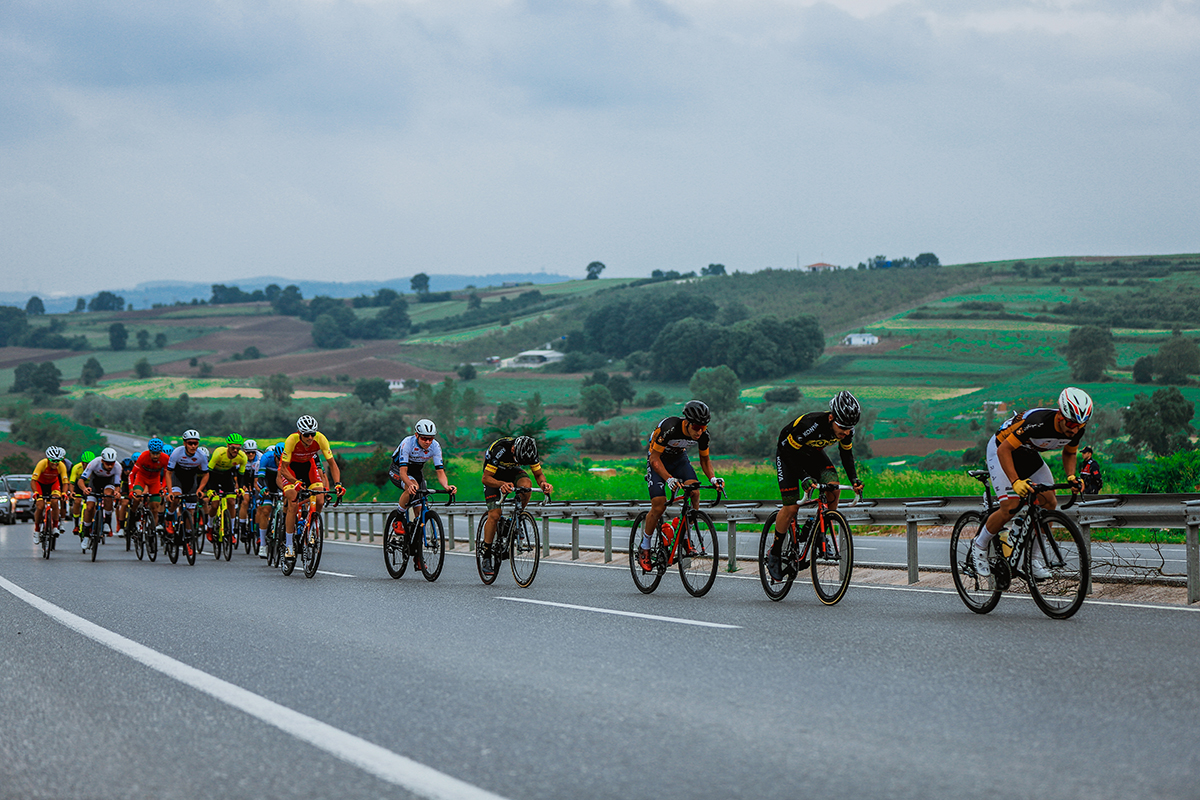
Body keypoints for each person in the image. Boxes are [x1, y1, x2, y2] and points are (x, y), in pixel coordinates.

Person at [970, 387, 1092, 580]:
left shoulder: (1077, 427)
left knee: (1050, 503)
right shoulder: (1038, 423)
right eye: (1070, 423)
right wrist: (1015, 481)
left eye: (1079, 424)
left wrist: (1070, 476)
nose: (1074, 429)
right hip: (1002, 449)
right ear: (1061, 414)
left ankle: (1032, 560)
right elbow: (1004, 450)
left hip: (1027, 453)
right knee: (1009, 507)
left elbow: (1069, 452)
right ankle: (979, 545)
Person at [765, 391, 864, 582]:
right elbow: (789, 453)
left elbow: (846, 455)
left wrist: (854, 479)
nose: (845, 433)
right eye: (842, 428)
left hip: (812, 454)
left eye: (850, 429)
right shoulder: (811, 425)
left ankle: (820, 527)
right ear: (831, 417)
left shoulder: (846, 431)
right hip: (788, 455)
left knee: (833, 487)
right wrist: (803, 477)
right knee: (791, 506)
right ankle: (775, 552)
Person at [637, 400, 724, 573]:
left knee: (695, 492)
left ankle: (685, 537)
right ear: (687, 422)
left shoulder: (703, 435)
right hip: (658, 461)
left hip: (679, 460)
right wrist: (669, 478)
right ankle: (645, 546)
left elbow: (705, 460)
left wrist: (713, 478)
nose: (700, 431)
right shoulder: (670, 428)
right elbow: (654, 459)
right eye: (697, 427)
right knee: (659, 504)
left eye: (704, 427)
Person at [480, 434, 552, 576]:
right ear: (513, 449)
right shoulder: (501, 450)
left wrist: (544, 484)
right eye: (517, 460)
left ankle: (514, 520)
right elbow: (486, 478)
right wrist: (501, 484)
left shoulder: (531, 451)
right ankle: (486, 554)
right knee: (494, 515)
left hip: (512, 473)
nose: (518, 462)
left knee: (526, 485)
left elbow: (538, 475)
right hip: (494, 476)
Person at [389, 420, 457, 569]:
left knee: (420, 516)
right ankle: (399, 517)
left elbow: (440, 472)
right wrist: (410, 485)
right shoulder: (408, 443)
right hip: (399, 470)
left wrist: (447, 486)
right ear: (416, 435)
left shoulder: (435, 446)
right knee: (412, 486)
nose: (427, 441)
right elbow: (403, 473)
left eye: (430, 438)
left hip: (417, 472)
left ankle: (418, 555)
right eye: (424, 438)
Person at [278, 415, 345, 559]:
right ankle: (289, 546)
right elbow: (283, 469)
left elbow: (332, 464)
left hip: (308, 466)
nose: (310, 438)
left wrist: (338, 484)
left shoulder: (321, 439)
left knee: (320, 499)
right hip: (290, 469)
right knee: (293, 502)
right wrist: (295, 482)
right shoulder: (291, 440)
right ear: (299, 433)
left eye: (312, 434)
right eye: (306, 435)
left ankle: (312, 528)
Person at [168, 430, 210, 556]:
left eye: (195, 443)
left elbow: (206, 474)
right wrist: (170, 491)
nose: (193, 446)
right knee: (176, 499)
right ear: (185, 443)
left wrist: (199, 490)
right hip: (177, 478)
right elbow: (169, 472)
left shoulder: (201, 455)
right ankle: (169, 518)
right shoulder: (177, 453)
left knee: (191, 512)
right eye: (190, 443)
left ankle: (187, 539)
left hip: (191, 482)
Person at [77, 448, 123, 551]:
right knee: (89, 507)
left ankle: (107, 521)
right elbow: (81, 480)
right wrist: (85, 489)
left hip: (108, 483)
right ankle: (86, 534)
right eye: (107, 463)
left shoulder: (118, 467)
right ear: (102, 461)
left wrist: (117, 492)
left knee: (108, 495)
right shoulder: (95, 463)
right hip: (95, 483)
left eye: (112, 463)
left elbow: (117, 485)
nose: (110, 466)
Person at [127, 438, 173, 538]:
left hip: (154, 481)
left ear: (161, 451)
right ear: (149, 451)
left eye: (157, 453)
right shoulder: (143, 456)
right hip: (141, 478)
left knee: (155, 507)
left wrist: (163, 488)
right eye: (153, 453)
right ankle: (132, 519)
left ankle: (152, 530)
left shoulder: (165, 458)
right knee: (137, 497)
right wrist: (131, 490)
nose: (155, 456)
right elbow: (131, 474)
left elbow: (166, 475)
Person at [206, 434, 248, 542]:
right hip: (213, 476)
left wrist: (241, 488)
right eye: (233, 448)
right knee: (215, 504)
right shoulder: (219, 453)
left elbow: (241, 475)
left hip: (227, 477)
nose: (235, 451)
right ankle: (209, 527)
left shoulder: (242, 457)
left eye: (238, 448)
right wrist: (209, 489)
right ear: (228, 446)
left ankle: (231, 531)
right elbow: (208, 472)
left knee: (232, 502)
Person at [254, 442, 285, 559]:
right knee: (265, 510)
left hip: (280, 483)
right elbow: (260, 479)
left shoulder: (289, 460)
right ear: (275, 456)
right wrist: (263, 488)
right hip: (267, 483)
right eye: (279, 459)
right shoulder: (267, 458)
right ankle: (262, 545)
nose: (280, 461)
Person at [31, 446, 68, 539]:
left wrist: (64, 493)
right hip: (40, 485)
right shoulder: (42, 463)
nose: (55, 464)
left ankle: (55, 526)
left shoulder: (61, 466)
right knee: (40, 506)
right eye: (53, 461)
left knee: (55, 502)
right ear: (48, 459)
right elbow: (33, 481)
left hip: (53, 484)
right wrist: (35, 492)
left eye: (57, 461)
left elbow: (65, 482)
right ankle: (37, 530)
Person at [68, 451, 94, 534]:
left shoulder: (94, 468)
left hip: (91, 485)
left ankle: (92, 523)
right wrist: (72, 492)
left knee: (93, 504)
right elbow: (71, 482)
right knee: (77, 501)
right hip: (79, 486)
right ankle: (76, 524)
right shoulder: (76, 467)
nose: (88, 466)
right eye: (86, 464)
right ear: (82, 463)